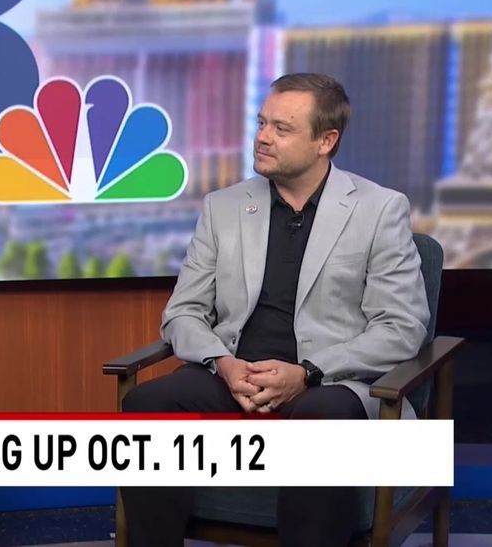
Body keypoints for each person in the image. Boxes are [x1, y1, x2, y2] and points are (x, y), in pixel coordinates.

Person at [120, 73, 430, 546]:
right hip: (235, 376)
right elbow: (182, 312)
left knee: (323, 417)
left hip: (329, 384)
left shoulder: (379, 210)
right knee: (148, 403)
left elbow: (401, 327)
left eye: (282, 129)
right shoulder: (223, 207)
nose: (263, 137)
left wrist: (307, 372)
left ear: (326, 141)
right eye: (262, 123)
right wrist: (223, 364)